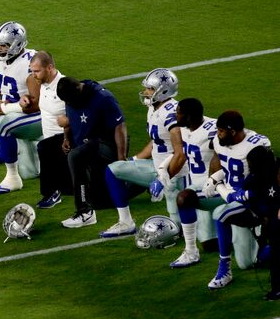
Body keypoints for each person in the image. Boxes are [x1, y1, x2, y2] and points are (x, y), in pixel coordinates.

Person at [100, 68, 188, 237]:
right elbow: (157, 141)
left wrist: (163, 179)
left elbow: (181, 153)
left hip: (175, 173)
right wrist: (134, 159)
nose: (146, 92)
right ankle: (126, 222)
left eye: (150, 89)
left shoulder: (172, 115)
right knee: (114, 169)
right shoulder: (154, 107)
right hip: (156, 168)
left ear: (163, 91)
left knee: (178, 230)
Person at [204, 110, 271, 290]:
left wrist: (218, 186)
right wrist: (213, 178)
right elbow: (229, 168)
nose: (217, 135)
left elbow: (249, 191)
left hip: (255, 202)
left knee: (221, 214)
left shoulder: (256, 147)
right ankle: (194, 243)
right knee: (187, 197)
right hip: (235, 195)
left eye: (221, 131)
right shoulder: (221, 141)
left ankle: (224, 268)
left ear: (232, 131)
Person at [57, 76, 128, 228]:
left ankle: (85, 213)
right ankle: (146, 180)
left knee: (75, 157)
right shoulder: (71, 96)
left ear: (78, 90)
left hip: (105, 145)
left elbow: (119, 126)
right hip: (85, 145)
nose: (68, 103)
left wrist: (121, 159)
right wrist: (66, 138)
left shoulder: (103, 97)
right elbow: (71, 118)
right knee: (102, 201)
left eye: (69, 100)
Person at [0, 22, 41, 195]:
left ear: (17, 44)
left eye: (4, 45)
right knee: (31, 173)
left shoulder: (30, 64)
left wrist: (8, 109)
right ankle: (37, 149)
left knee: (2, 126)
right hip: (16, 111)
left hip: (39, 114)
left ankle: (12, 178)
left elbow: (36, 104)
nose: (0, 48)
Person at [170, 98, 218, 268]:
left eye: (179, 112)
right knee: (210, 245)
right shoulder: (185, 129)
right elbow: (181, 153)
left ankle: (191, 252)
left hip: (213, 189)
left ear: (188, 117)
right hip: (197, 187)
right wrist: (162, 173)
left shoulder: (213, 129)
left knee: (183, 198)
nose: (176, 115)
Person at [30, 51, 70, 209]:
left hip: (64, 139)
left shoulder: (64, 86)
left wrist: (68, 128)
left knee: (43, 149)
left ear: (50, 68)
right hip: (49, 137)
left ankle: (51, 193)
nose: (34, 75)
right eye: (32, 71)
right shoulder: (43, 84)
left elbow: (80, 113)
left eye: (37, 71)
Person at [242, 146, 280, 300]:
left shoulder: (277, 170)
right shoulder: (252, 181)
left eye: (252, 164)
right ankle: (277, 287)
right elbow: (261, 212)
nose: (250, 168)